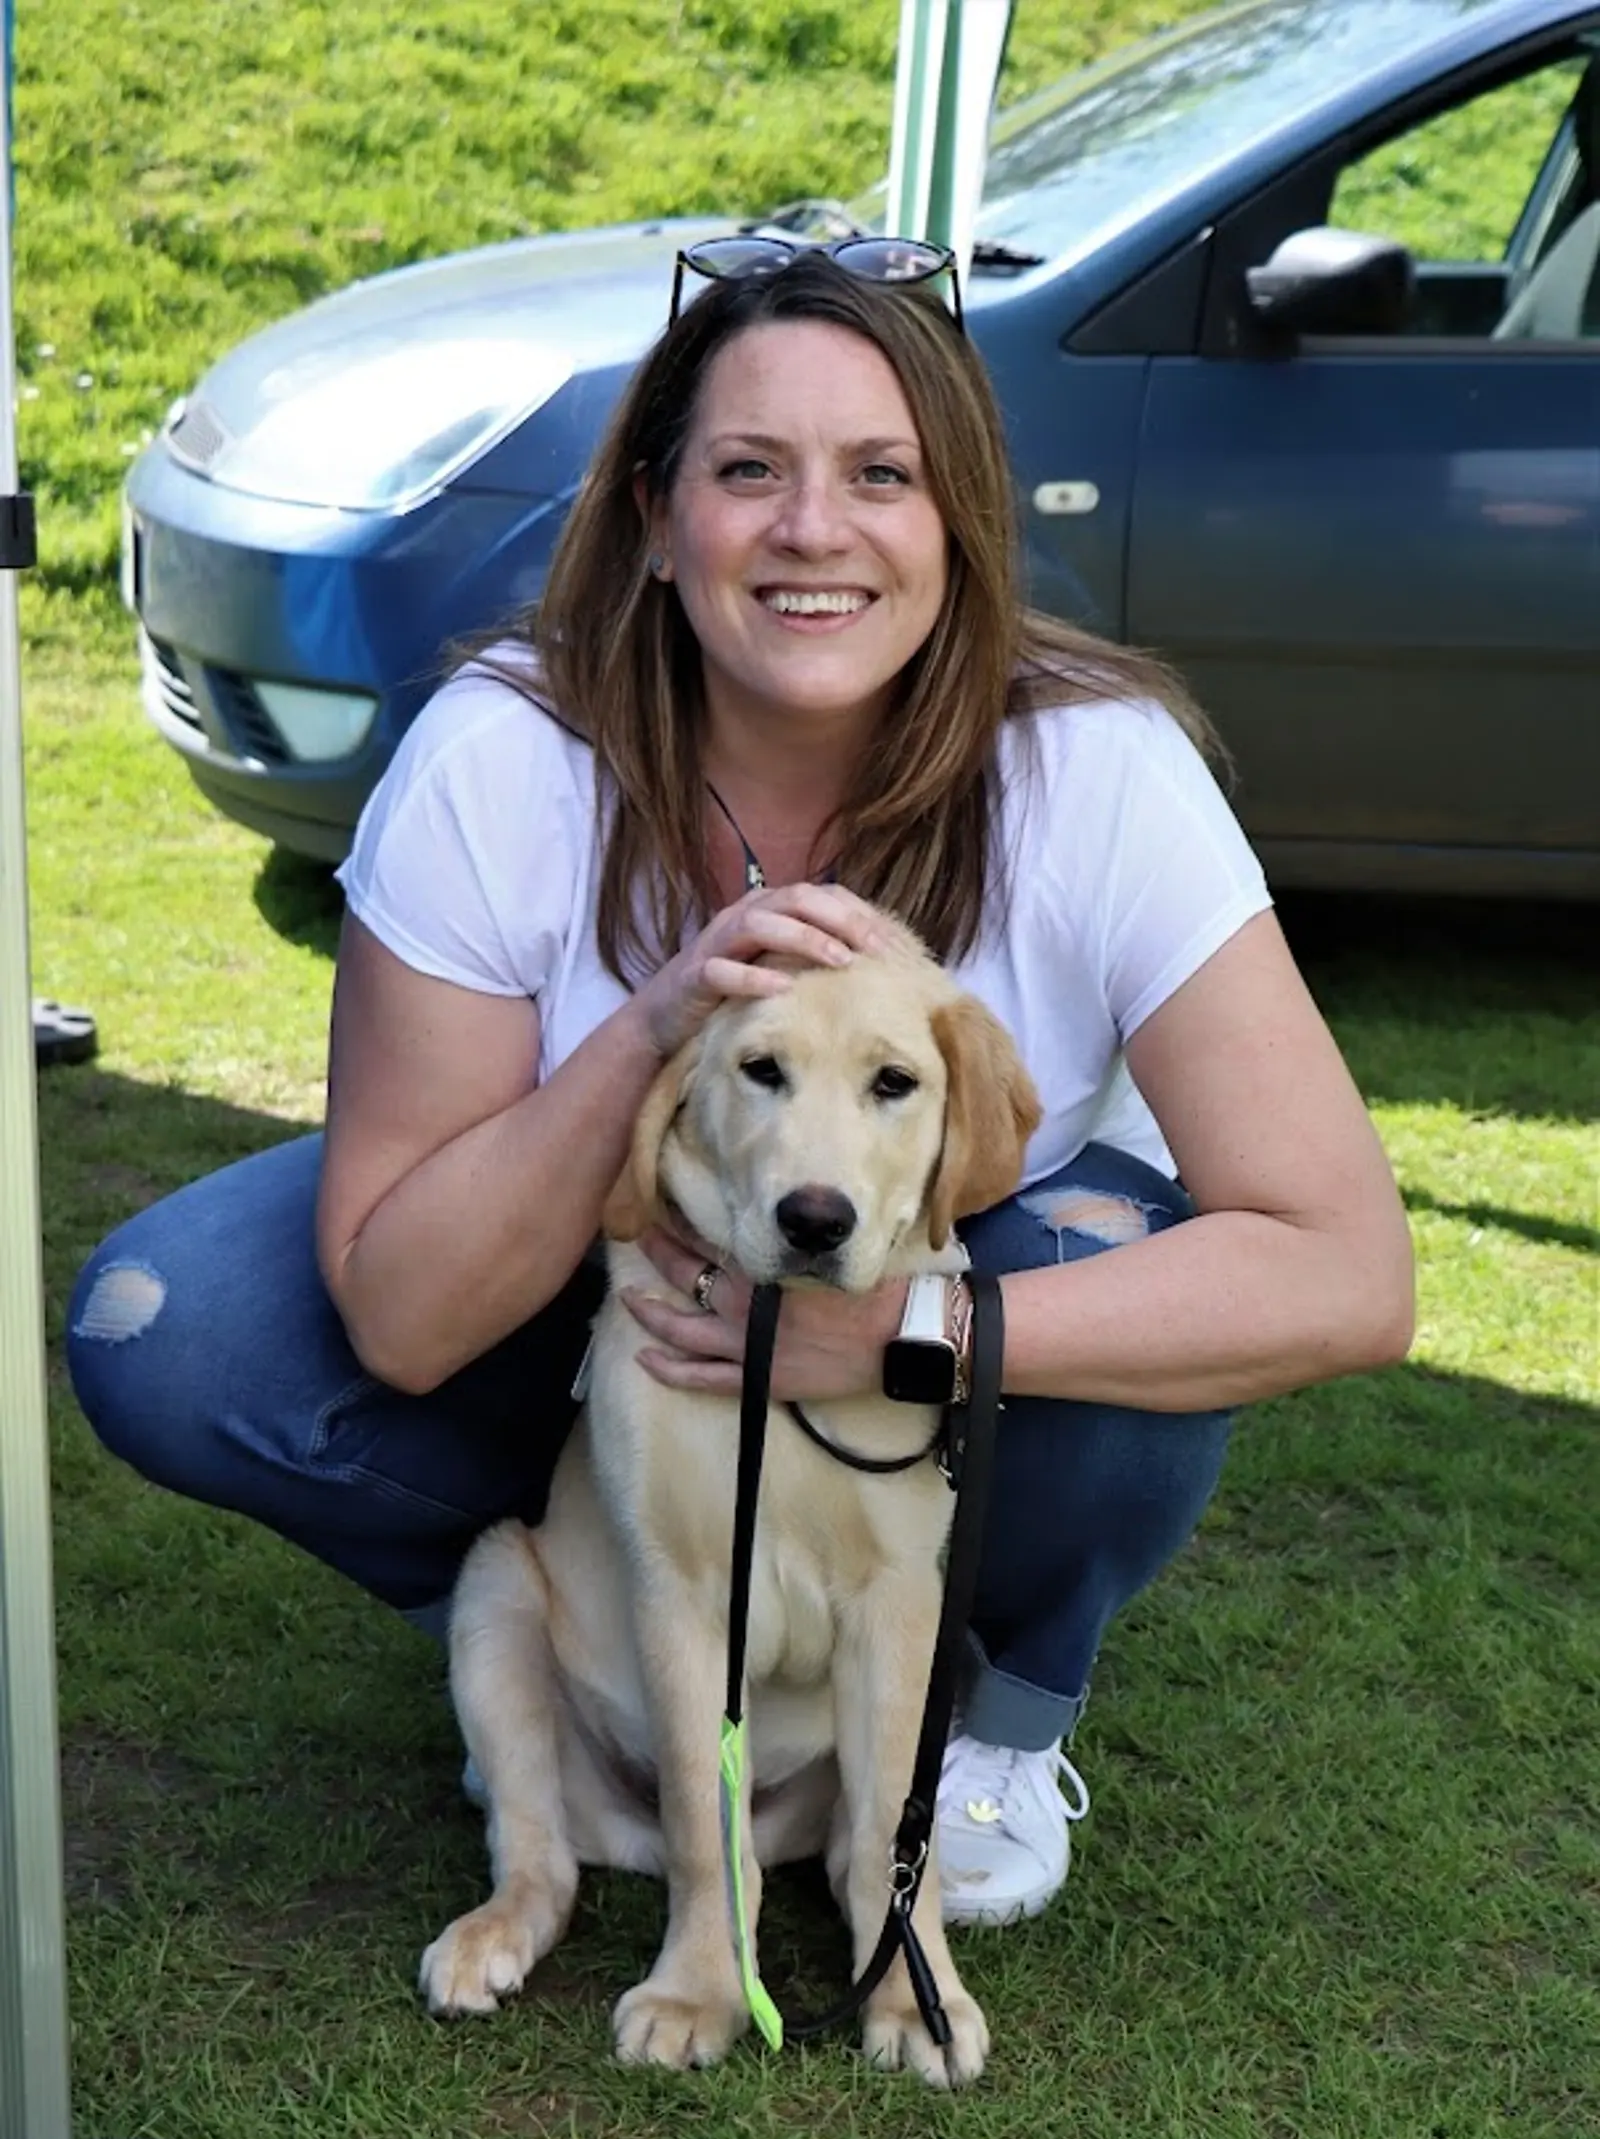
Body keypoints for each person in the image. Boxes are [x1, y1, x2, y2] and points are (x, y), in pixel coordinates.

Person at [67, 239, 1414, 1931]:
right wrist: (652, 1026)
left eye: (882, 476)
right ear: (651, 515)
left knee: (1110, 1289)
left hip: (940, 1309)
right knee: (173, 1327)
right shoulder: (502, 754)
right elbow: (403, 1320)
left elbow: (1347, 1269)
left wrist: (904, 1334)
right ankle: (587, 1655)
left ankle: (989, 1713)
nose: (812, 531)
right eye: (748, 471)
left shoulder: (1095, 770)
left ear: (958, 525)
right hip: (613, 1315)